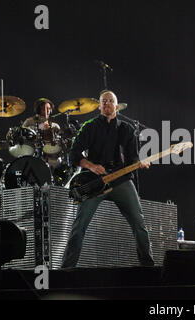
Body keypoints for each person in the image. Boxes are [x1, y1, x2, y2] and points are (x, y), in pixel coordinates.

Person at [61, 90, 154, 268]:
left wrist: (139, 164)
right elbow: (73, 154)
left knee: (139, 224)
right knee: (79, 226)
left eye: (111, 101)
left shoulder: (127, 129)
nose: (107, 104)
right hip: (95, 182)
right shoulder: (90, 126)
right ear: (99, 106)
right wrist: (91, 166)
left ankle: (149, 267)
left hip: (121, 181)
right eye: (104, 101)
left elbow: (132, 159)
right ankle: (66, 269)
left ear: (117, 106)